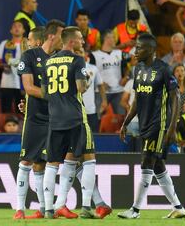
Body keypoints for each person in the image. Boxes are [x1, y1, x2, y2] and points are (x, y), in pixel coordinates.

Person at [118, 33, 185, 219]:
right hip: (144, 123)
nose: (135, 51)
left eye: (139, 48)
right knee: (158, 166)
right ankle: (178, 207)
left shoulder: (164, 69)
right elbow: (137, 98)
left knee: (146, 161)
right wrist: (126, 122)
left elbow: (176, 97)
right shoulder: (138, 69)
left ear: (151, 50)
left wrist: (172, 128)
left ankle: (135, 210)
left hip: (159, 123)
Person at [41, 26, 98, 219]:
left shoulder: (48, 61)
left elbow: (44, 92)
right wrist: (87, 80)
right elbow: (81, 88)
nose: (83, 42)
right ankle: (86, 207)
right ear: (72, 41)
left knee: (53, 163)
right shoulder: (77, 60)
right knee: (89, 158)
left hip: (55, 118)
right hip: (75, 117)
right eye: (81, 39)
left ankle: (49, 208)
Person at [13, 19, 65, 220]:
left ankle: (44, 208)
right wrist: (55, 94)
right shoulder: (29, 56)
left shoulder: (60, 58)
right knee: (26, 160)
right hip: (34, 118)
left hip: (55, 118)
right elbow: (29, 88)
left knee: (44, 163)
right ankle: (19, 208)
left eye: (29, 39)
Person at [92, 30, 129, 116]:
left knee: (121, 120)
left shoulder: (120, 53)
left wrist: (126, 77)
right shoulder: (94, 55)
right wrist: (99, 83)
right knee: (98, 119)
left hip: (118, 91)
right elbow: (90, 72)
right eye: (113, 37)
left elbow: (128, 67)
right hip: (101, 93)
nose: (115, 40)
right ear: (107, 39)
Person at [0, 20, 24, 113]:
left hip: (23, 84)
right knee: (6, 112)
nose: (16, 28)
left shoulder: (27, 45)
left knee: (22, 113)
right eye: (14, 26)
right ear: (10, 30)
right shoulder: (4, 44)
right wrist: (5, 66)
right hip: (7, 83)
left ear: (23, 30)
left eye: (19, 26)